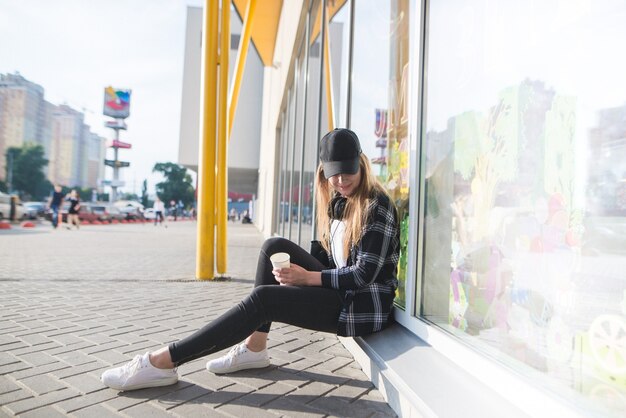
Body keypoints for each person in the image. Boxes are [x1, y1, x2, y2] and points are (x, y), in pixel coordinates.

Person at [101, 128, 400, 391]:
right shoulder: (339, 201)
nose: (340, 179)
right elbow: (326, 256)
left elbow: (363, 274)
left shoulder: (377, 206)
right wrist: (297, 269)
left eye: (347, 171)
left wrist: (305, 278)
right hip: (342, 292)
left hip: (361, 306)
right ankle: (255, 348)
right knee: (272, 246)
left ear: (361, 164)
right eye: (333, 173)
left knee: (265, 299)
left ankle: (162, 361)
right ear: (322, 170)